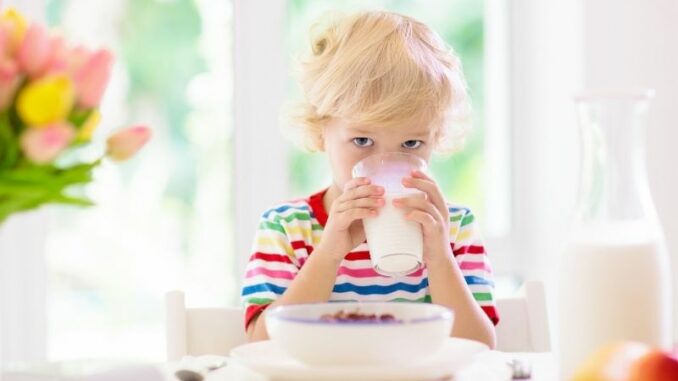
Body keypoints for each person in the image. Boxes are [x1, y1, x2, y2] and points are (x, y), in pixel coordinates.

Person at [240, 9, 498, 348]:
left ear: (436, 138)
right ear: (320, 131)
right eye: (362, 141)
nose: (384, 163)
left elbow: (479, 347)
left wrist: (440, 257)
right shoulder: (287, 229)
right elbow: (262, 343)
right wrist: (328, 253)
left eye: (411, 143)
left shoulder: (452, 228)